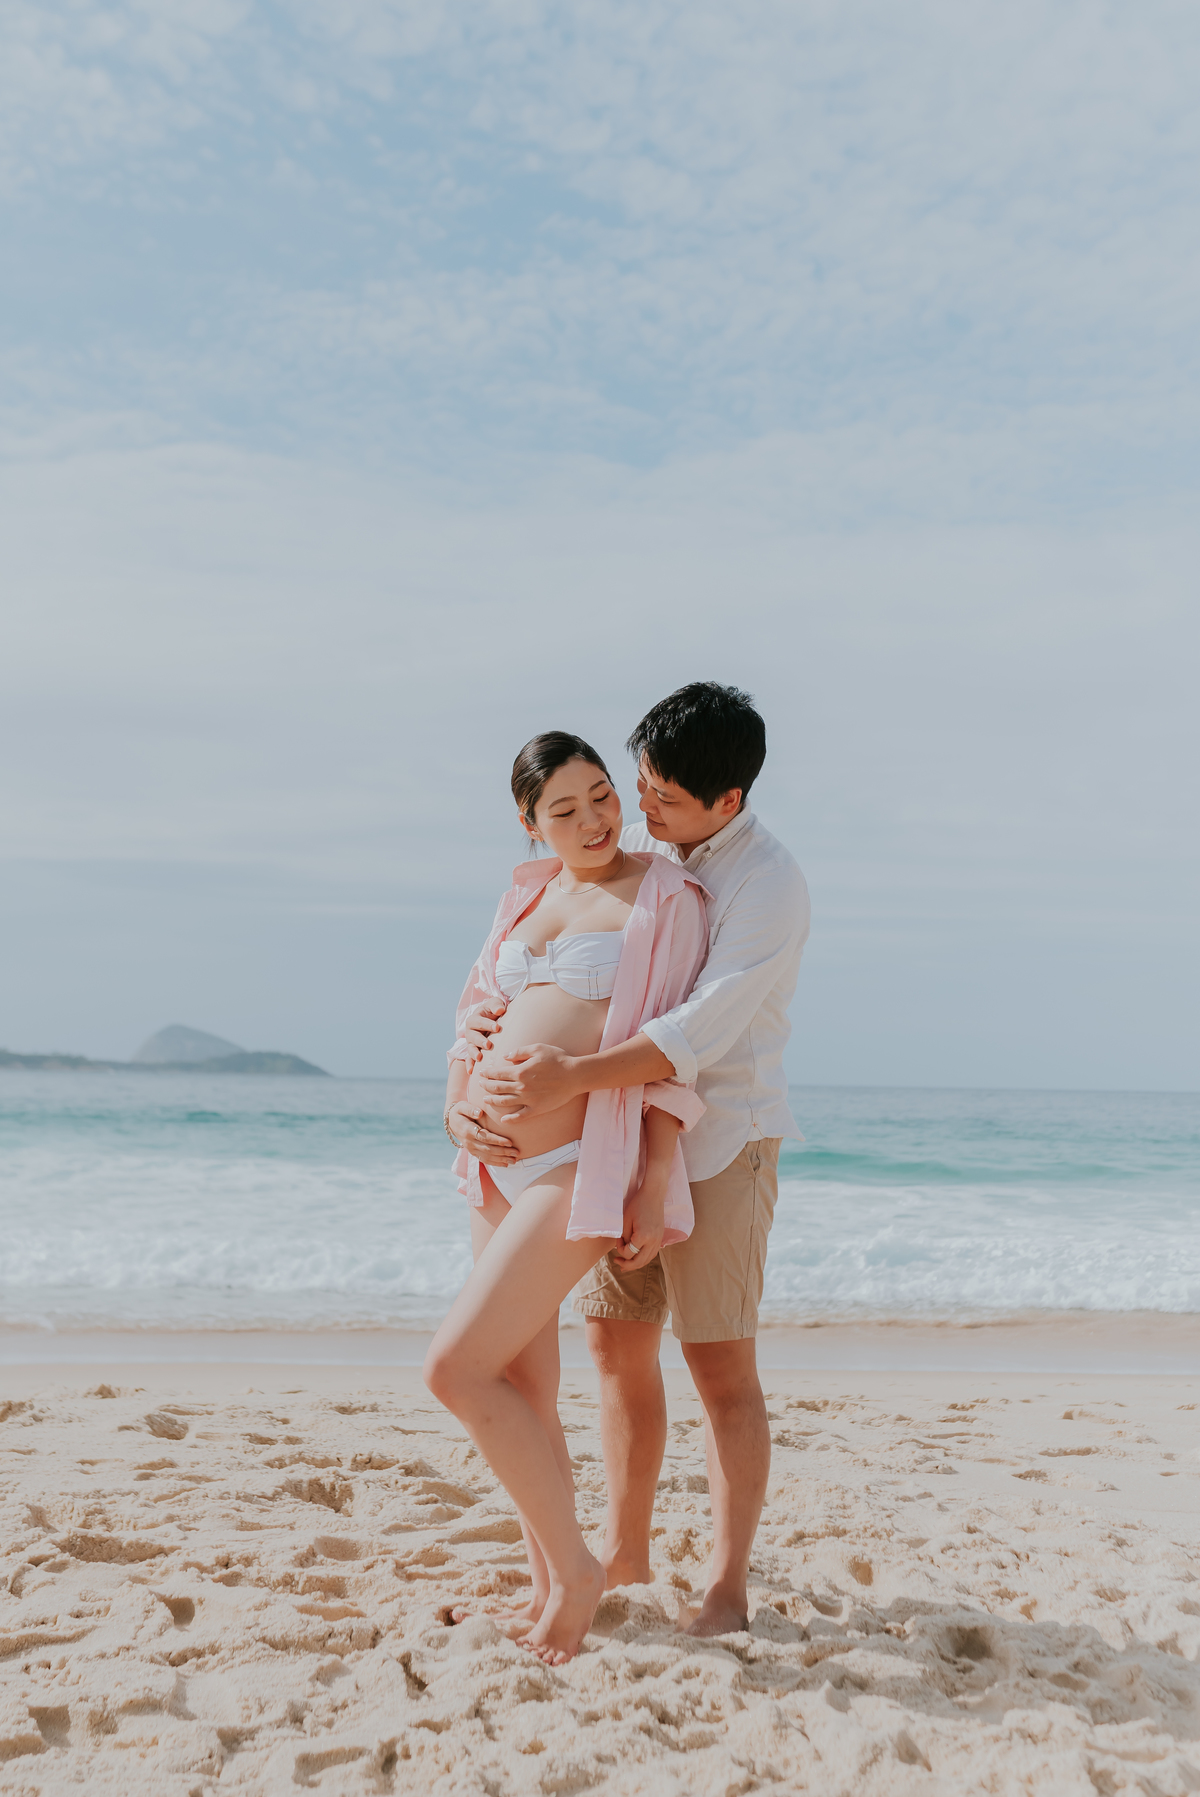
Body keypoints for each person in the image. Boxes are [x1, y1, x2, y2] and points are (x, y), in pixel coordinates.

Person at [463, 683, 810, 1637]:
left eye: (658, 796)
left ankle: (727, 1586)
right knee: (617, 1353)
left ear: (727, 802)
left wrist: (572, 1075)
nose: (637, 810)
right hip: (611, 1140)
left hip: (719, 1140)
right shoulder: (657, 857)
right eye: (639, 784)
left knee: (720, 1367)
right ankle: (622, 1555)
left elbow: (687, 1031)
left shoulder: (763, 885)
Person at [423, 730, 709, 1665]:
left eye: (601, 796)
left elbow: (679, 1045)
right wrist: (459, 1104)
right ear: (529, 821)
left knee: (454, 1368)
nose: (592, 820)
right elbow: (474, 1012)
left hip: (579, 1159)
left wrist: (656, 1174)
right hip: (492, 1161)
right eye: (564, 808)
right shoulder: (524, 891)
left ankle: (580, 1574)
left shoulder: (665, 895)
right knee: (519, 1381)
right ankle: (546, 1578)